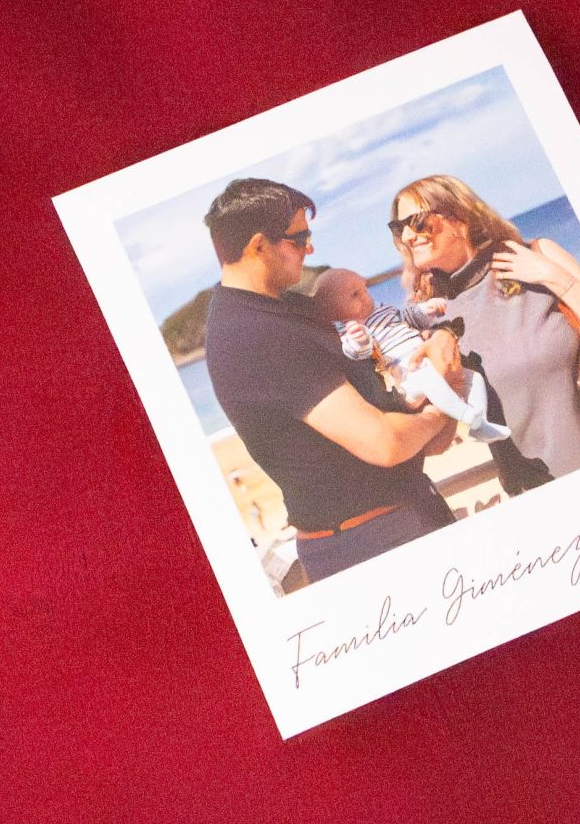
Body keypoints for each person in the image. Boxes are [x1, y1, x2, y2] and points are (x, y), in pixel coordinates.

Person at [196, 177, 464, 588]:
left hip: (398, 518)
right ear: (258, 246)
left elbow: (386, 341)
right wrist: (445, 403)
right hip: (371, 544)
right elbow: (385, 444)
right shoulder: (255, 335)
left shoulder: (285, 309)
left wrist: (442, 335)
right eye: (299, 238)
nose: (310, 249)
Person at [387, 173, 580, 489]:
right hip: (536, 490)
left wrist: (552, 276)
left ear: (459, 219)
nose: (408, 236)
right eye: (399, 228)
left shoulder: (535, 257)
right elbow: (438, 441)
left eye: (417, 222)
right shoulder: (429, 318)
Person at [303, 268, 510, 443]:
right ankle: (469, 417)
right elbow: (356, 353)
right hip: (405, 375)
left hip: (425, 361)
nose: (365, 295)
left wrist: (426, 309)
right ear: (333, 310)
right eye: (354, 295)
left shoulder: (380, 310)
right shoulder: (348, 329)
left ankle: (480, 425)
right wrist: (361, 340)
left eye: (364, 289)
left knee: (474, 378)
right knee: (430, 380)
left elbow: (406, 317)